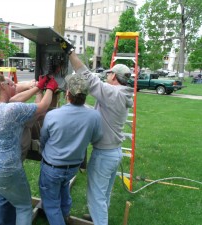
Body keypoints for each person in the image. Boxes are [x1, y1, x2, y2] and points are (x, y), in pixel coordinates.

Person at [60, 39, 134, 225]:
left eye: (109, 74)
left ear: (114, 77)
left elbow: (87, 77)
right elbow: (99, 110)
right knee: (104, 192)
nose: (106, 76)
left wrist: (71, 54)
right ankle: (97, 217)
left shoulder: (113, 93)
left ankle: (99, 220)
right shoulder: (120, 94)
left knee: (96, 196)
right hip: (113, 152)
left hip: (104, 154)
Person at [0, 73, 58, 225]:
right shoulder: (10, 111)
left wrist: (37, 87)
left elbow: (12, 98)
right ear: (2, 87)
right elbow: (43, 107)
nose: (14, 84)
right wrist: (50, 88)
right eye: (10, 83)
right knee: (24, 207)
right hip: (5, 170)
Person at [39, 74, 103, 225]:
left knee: (51, 203)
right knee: (64, 190)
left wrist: (43, 152)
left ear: (67, 93)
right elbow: (96, 138)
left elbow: (43, 138)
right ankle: (65, 216)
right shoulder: (94, 116)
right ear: (85, 95)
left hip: (52, 167)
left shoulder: (53, 115)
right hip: (73, 167)